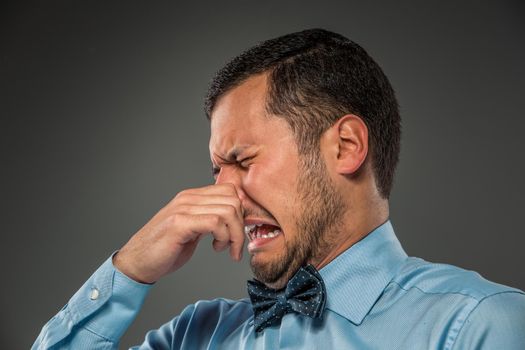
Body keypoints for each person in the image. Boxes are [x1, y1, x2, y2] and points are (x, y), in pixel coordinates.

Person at [33, 28, 525, 349]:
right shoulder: (195, 336)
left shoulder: (480, 326)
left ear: (346, 146)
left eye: (242, 160)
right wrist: (130, 269)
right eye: (215, 170)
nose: (223, 194)